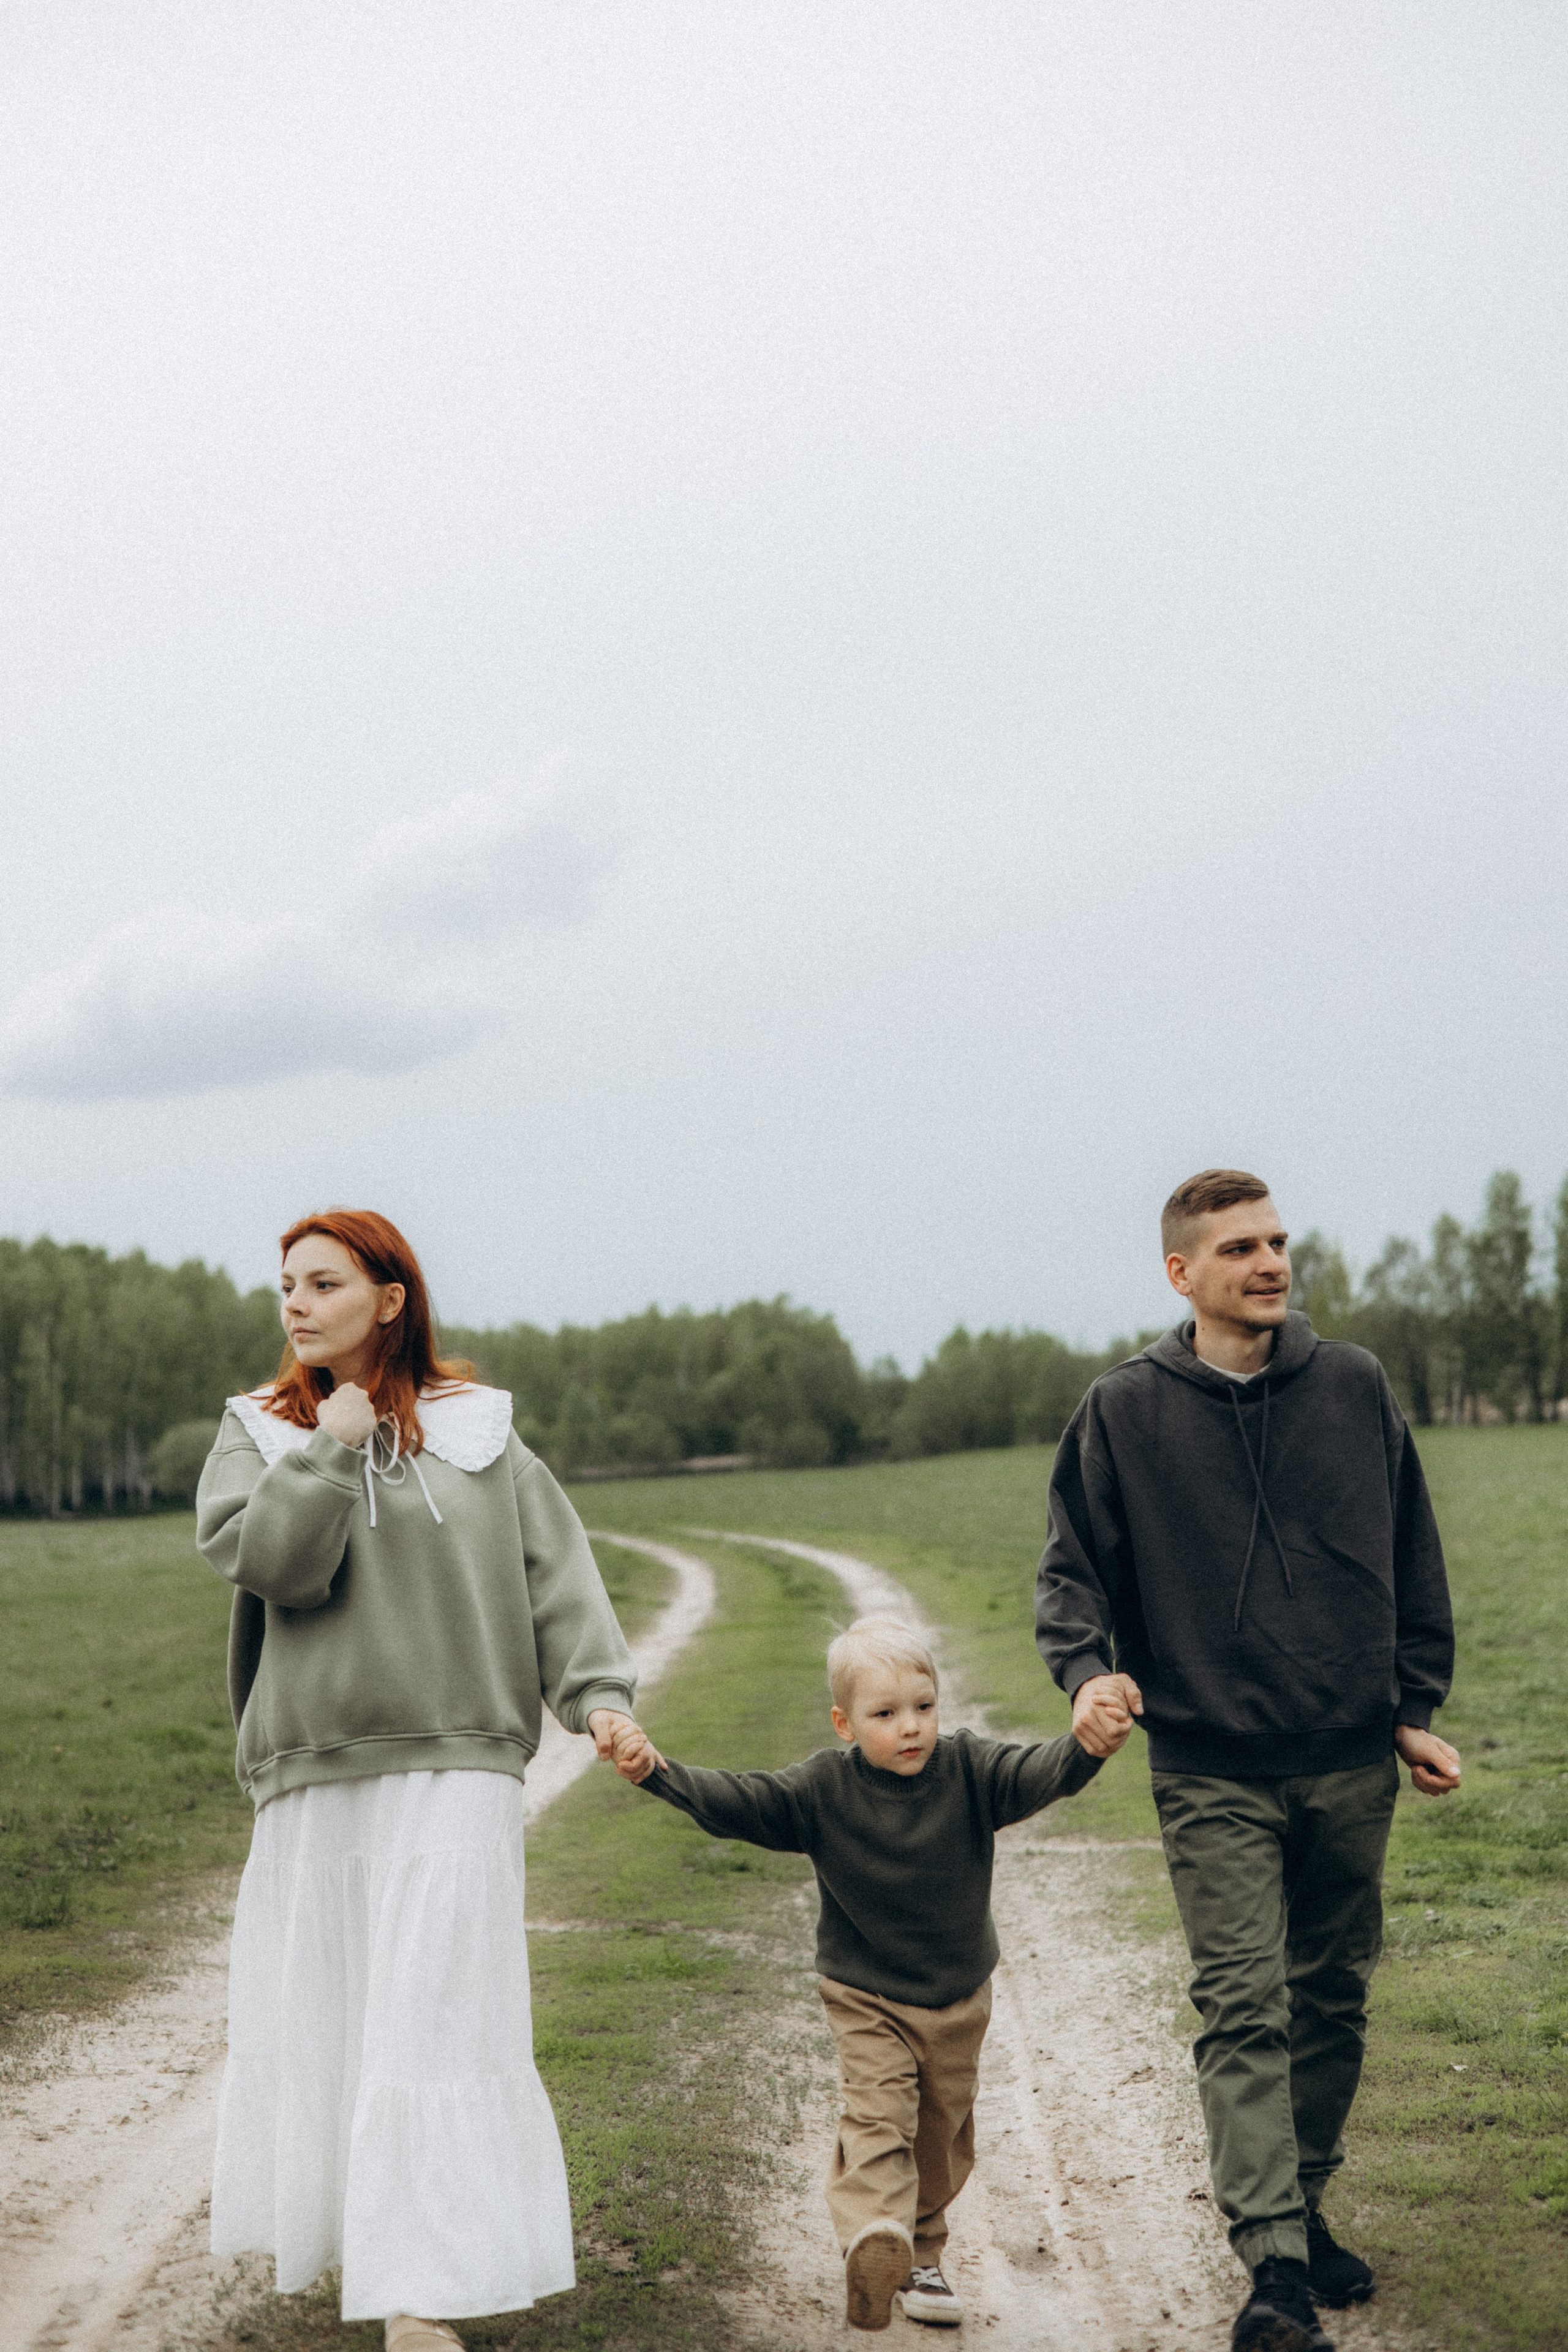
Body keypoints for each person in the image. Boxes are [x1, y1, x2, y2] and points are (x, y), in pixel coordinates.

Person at [196, 1208, 650, 2352]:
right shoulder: (259, 1432)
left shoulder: (481, 1432)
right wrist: (331, 1444)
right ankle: (380, 2252)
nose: (295, 1304)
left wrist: (599, 1697)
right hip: (313, 1782)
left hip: (458, 1770)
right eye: (286, 1285)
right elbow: (273, 1567)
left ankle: (420, 2298)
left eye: (323, 1284)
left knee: (436, 2026)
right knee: (346, 2026)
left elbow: (558, 1578)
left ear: (389, 1299)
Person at [1036, 1169, 1458, 2352]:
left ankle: (1303, 2206)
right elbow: (1070, 1570)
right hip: (1210, 1763)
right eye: (1239, 1249)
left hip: (1348, 1755)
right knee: (1241, 2002)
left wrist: (1411, 1705)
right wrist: (1091, 1677)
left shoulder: (1354, 1386)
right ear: (1183, 1274)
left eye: (1277, 1242)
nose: (1269, 1262)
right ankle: (1273, 2268)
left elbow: (1413, 1550)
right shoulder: (1123, 1410)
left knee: (1332, 1995)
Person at [604, 1613, 1115, 2332]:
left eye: (923, 1707)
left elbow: (1040, 1771)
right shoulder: (820, 1792)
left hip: (958, 1996)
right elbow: (740, 1802)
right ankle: (877, 2235)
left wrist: (1088, 1747)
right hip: (865, 1993)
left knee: (938, 2132)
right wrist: (658, 1773)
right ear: (845, 1724)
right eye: (885, 1714)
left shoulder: (969, 1771)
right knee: (879, 2114)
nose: (910, 1727)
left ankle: (921, 2251)